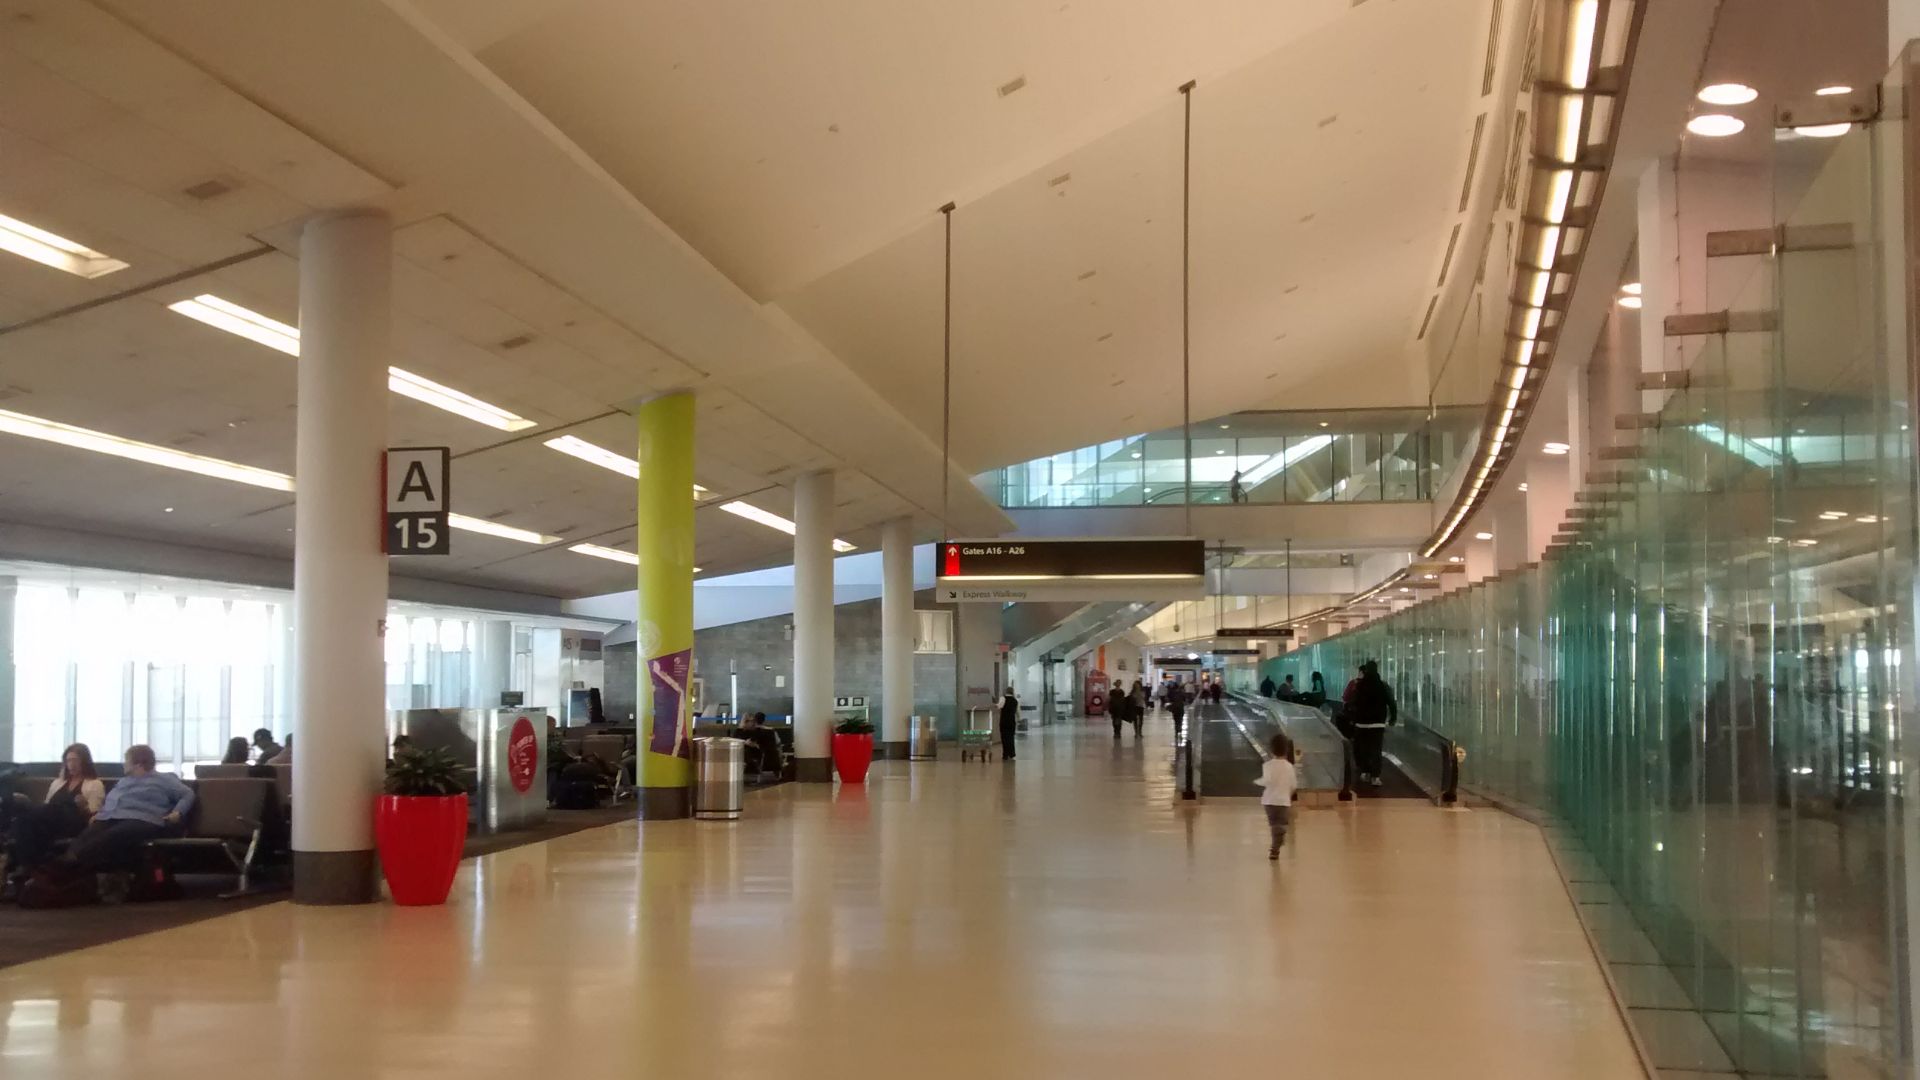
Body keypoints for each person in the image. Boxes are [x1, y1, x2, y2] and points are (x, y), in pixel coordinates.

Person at [63, 745, 194, 873]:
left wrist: (178, 812)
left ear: (138, 764)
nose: (124, 764)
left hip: (143, 818)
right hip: (112, 816)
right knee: (86, 836)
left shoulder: (164, 779)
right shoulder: (124, 781)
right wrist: (100, 814)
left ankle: (70, 866)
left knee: (112, 836)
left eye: (127, 761)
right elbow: (112, 800)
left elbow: (188, 794)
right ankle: (68, 863)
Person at [7, 743, 106, 883]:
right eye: (68, 760)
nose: (72, 764)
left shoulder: (94, 784)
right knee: (22, 820)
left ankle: (27, 867)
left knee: (44, 812)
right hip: (51, 819)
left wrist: (83, 806)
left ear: (84, 761)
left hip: (75, 821)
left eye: (75, 760)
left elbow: (95, 816)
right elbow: (45, 807)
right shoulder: (58, 783)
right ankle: (30, 867)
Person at [1344, 660, 1398, 786]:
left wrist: (1352, 718)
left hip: (1361, 724)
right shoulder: (1383, 685)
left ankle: (1365, 772)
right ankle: (1375, 776)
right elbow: (1391, 702)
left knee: (1363, 749)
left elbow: (1353, 702)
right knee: (1376, 750)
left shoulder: (1360, 685)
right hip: (1377, 724)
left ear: (1366, 670)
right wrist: (1393, 718)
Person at [1253, 733, 1298, 860]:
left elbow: (1266, 781)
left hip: (1269, 801)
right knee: (1281, 824)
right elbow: (1293, 785)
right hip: (1283, 801)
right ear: (1286, 749)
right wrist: (1288, 795)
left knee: (1274, 824)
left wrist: (1257, 781)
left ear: (1271, 749)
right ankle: (1276, 846)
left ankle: (1275, 846)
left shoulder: (1267, 765)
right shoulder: (1289, 767)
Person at [739, 712, 784, 779]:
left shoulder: (757, 731)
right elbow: (778, 742)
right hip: (771, 755)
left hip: (761, 755)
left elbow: (751, 742)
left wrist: (752, 744)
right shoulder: (771, 730)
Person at [999, 686, 1019, 761]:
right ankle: (1012, 754)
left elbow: (999, 706)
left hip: (1004, 721)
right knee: (1011, 738)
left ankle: (1005, 754)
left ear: (1006, 691)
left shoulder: (1003, 698)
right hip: (1011, 721)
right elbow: (1017, 711)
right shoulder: (1015, 701)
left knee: (1004, 738)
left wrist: (996, 705)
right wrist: (1019, 719)